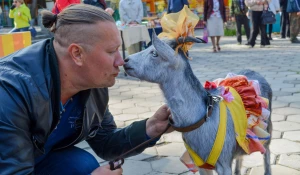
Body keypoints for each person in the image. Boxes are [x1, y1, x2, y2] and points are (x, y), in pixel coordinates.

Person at [0, 4, 172, 174]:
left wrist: (153, 126)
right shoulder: (11, 93)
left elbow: (105, 142)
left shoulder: (91, 83)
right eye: (112, 51)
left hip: (36, 158)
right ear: (77, 54)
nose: (121, 61)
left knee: (81, 164)